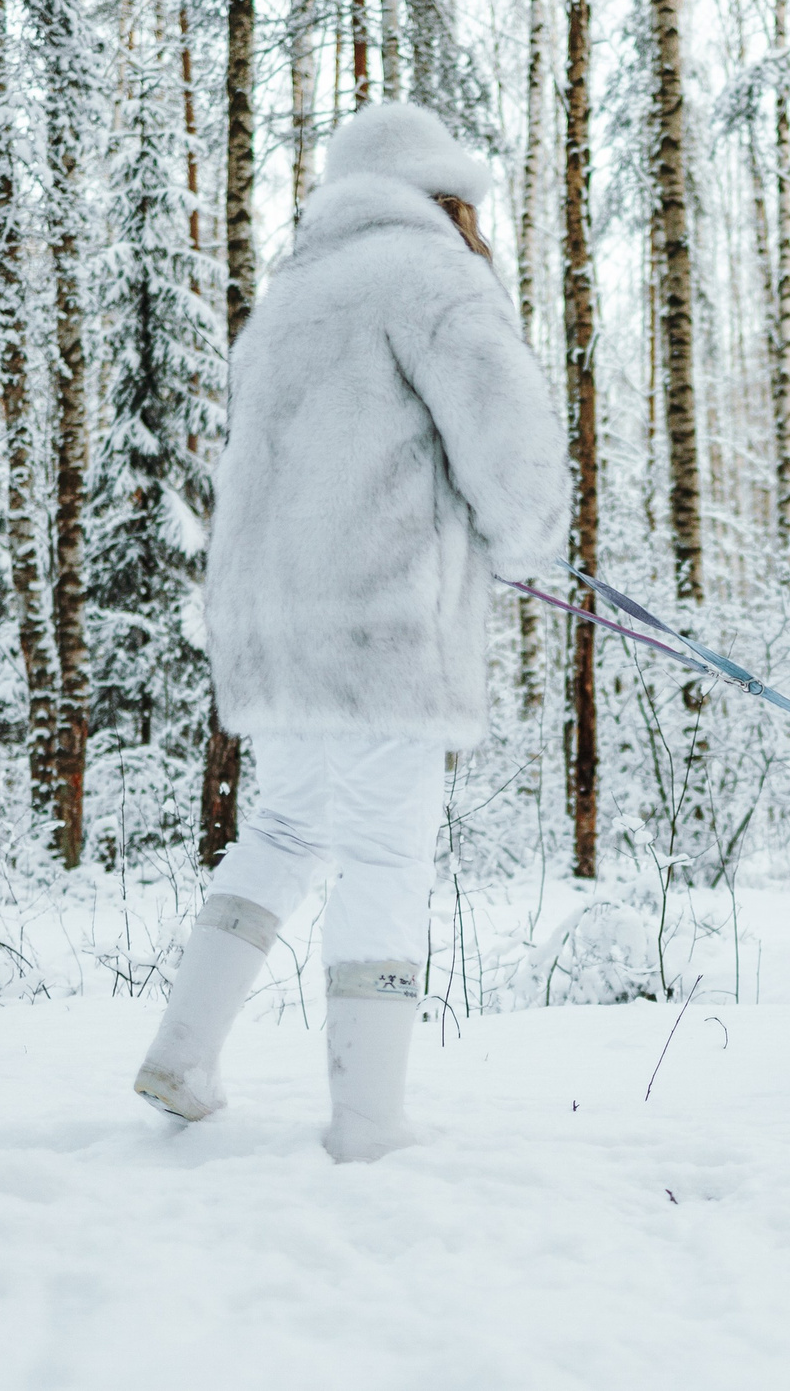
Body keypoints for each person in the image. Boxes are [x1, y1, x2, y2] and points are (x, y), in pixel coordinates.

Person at [133, 101, 566, 1161]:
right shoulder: (431, 278)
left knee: (286, 832)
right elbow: (507, 432)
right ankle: (368, 1126)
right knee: (384, 853)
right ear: (441, 193)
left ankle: (183, 1054)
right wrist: (526, 543)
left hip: (273, 634)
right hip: (383, 631)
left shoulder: (289, 298)